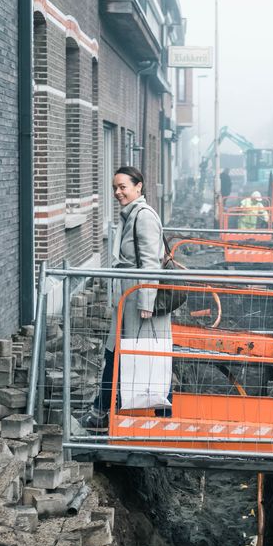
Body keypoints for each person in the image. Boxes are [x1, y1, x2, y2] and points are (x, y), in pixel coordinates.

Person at [79, 166, 171, 429]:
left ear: (138, 186)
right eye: (115, 188)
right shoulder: (131, 215)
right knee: (118, 354)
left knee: (149, 357)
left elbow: (151, 263)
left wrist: (146, 302)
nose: (118, 192)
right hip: (129, 301)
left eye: (123, 187)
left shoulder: (143, 216)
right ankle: (102, 411)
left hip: (139, 302)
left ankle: (164, 419)